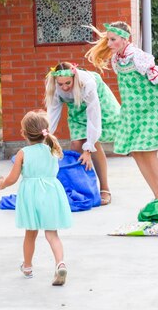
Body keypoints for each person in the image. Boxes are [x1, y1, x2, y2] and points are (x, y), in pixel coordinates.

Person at [85, 22, 158, 199]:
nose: (108, 44)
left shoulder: (138, 57)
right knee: (137, 154)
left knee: (150, 154)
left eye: (113, 40)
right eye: (108, 40)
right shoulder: (117, 60)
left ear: (124, 39)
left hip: (154, 110)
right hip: (134, 113)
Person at [0, 110, 72, 286]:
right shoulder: (53, 149)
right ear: (46, 131)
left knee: (30, 233)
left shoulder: (23, 152)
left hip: (31, 196)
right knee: (52, 234)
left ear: (24, 133)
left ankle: (27, 266)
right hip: (51, 193)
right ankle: (60, 263)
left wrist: (4, 184)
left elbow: (13, 178)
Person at [44, 62, 120, 205]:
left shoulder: (87, 83)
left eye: (68, 83)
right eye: (61, 84)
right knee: (76, 145)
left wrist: (89, 148)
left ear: (74, 78)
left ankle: (105, 188)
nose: (64, 87)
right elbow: (52, 114)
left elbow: (93, 116)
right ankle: (83, 188)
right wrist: (46, 138)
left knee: (92, 144)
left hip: (98, 105)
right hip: (77, 108)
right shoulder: (54, 87)